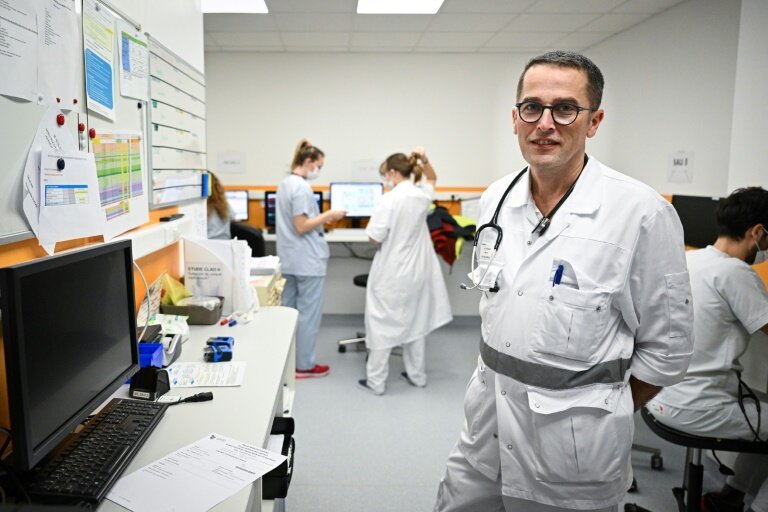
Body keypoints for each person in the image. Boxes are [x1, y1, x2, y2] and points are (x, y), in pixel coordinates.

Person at [433, 50, 693, 512]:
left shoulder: (641, 214)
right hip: (485, 433)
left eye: (565, 108)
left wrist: (599, 409)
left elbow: (669, 349)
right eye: (532, 107)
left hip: (574, 457)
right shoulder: (496, 198)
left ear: (593, 121)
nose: (545, 123)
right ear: (515, 119)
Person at [648, 187, 768, 512]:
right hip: (696, 407)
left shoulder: (688, 259)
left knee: (762, 405)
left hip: (657, 395)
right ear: (756, 232)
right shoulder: (737, 273)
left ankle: (729, 497)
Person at [357, 148, 453, 395]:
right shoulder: (420, 196)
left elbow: (373, 237)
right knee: (416, 319)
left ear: (392, 172)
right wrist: (425, 159)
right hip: (419, 271)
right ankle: (417, 376)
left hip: (392, 271)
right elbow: (432, 178)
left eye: (385, 175)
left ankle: (376, 382)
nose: (385, 180)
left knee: (381, 323)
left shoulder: (388, 199)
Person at [276, 140, 345, 378]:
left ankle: (285, 363)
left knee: (288, 313)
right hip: (307, 262)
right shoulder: (301, 187)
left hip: (290, 259)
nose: (319, 170)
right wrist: (329, 214)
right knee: (308, 316)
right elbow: (302, 226)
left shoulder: (285, 184)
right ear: (308, 162)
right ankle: (304, 366)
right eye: (319, 165)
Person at [206, 172, 265, 256]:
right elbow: (234, 218)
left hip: (209, 251)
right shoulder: (223, 205)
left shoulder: (203, 208)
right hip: (226, 250)